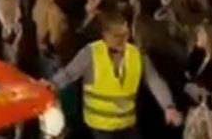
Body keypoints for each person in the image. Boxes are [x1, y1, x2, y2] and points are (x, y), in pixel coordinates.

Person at [50, 11, 182, 139]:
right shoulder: (91, 53)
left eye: (125, 35)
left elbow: (154, 80)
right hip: (100, 127)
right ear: (105, 35)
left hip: (127, 125)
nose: (122, 40)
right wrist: (52, 85)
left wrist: (168, 106)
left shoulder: (137, 54)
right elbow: (69, 74)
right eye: (116, 36)